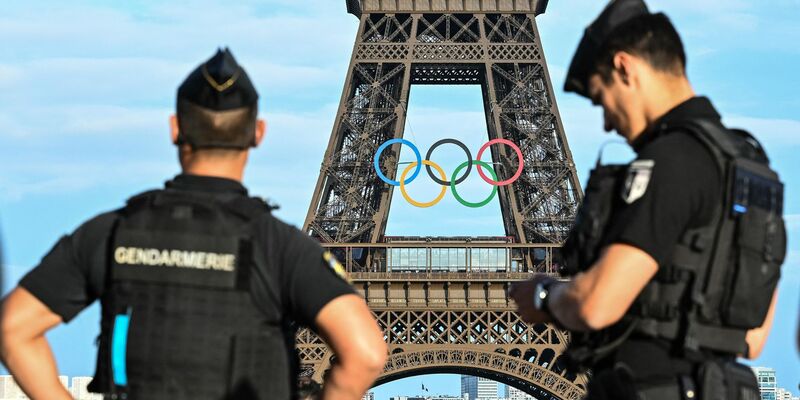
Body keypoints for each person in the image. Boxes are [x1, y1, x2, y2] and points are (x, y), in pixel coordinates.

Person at [0, 49, 387, 400]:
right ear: (257, 133)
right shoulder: (281, 247)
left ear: (175, 128)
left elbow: (13, 329)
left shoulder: (111, 233)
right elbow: (366, 353)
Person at [509, 1, 786, 399]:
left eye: (602, 98)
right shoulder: (753, 170)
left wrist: (544, 295)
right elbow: (753, 337)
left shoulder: (670, 161)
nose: (608, 123)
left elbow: (595, 304)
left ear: (624, 67)